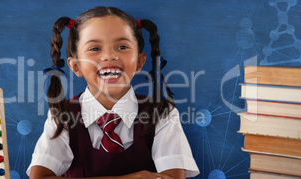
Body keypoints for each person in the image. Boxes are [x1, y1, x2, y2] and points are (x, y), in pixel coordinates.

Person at [27, 6, 199, 179]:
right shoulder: (63, 115)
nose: (109, 56)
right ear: (76, 66)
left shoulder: (162, 113)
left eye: (122, 46)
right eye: (95, 48)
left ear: (140, 62)